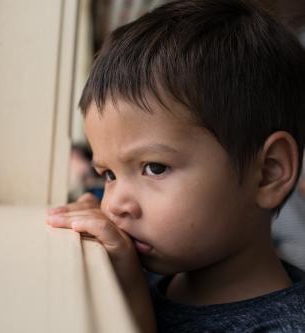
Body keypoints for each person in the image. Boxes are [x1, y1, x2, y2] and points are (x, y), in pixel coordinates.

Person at [46, 0, 305, 332]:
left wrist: (130, 299)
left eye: (154, 168)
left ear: (268, 172)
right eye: (109, 174)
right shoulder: (154, 268)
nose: (114, 205)